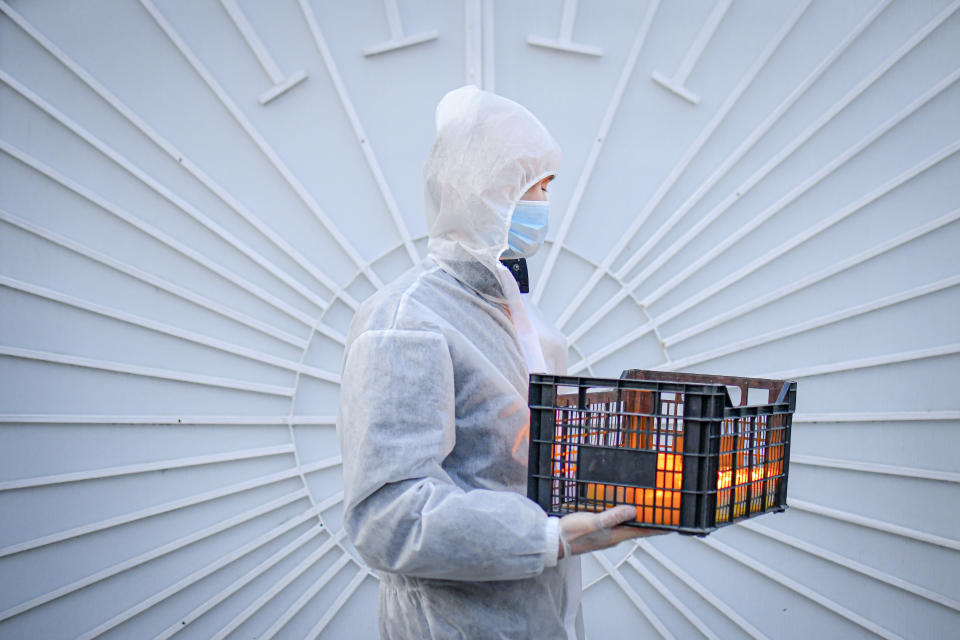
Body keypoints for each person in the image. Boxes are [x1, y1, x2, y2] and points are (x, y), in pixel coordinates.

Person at [337, 85, 663, 639]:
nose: (544, 202)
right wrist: (547, 537)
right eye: (534, 184)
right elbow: (389, 516)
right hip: (452, 624)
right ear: (484, 189)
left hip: (538, 615)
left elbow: (535, 466)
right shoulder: (406, 322)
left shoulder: (522, 324)